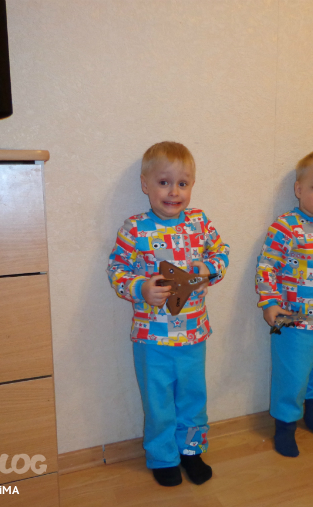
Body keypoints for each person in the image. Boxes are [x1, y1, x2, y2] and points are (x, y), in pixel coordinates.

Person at [107, 141, 229, 486]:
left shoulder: (200, 222)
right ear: (145, 184)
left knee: (193, 399)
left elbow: (222, 253)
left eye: (182, 183)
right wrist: (140, 288)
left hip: (193, 334)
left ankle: (191, 450)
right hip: (152, 339)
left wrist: (208, 269)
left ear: (192, 186)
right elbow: (116, 270)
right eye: (164, 182)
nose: (174, 192)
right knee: (158, 402)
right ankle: (163, 456)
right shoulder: (134, 229)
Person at [255, 150, 313, 457]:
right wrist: (269, 303)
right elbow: (266, 266)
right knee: (291, 376)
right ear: (298, 189)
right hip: (290, 319)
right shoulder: (286, 226)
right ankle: (285, 427)